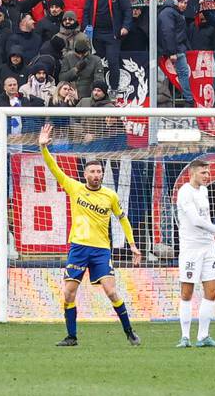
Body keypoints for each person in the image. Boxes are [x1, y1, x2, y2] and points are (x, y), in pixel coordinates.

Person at [38, 123, 141, 347]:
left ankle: (130, 332)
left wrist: (132, 244)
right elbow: (54, 169)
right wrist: (44, 148)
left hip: (101, 250)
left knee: (111, 291)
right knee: (68, 293)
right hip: (78, 248)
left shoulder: (110, 196)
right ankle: (71, 336)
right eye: (92, 171)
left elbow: (122, 218)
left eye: (99, 172)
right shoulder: (75, 188)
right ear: (85, 174)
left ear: (102, 174)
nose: (96, 175)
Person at [175, 158, 215, 348]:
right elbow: (195, 220)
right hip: (191, 248)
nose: (208, 176)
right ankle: (184, 337)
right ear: (192, 173)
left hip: (208, 247)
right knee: (187, 291)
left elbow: (205, 216)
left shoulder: (204, 191)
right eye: (203, 173)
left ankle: (203, 336)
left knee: (212, 290)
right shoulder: (184, 192)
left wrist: (212, 235)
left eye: (208, 172)